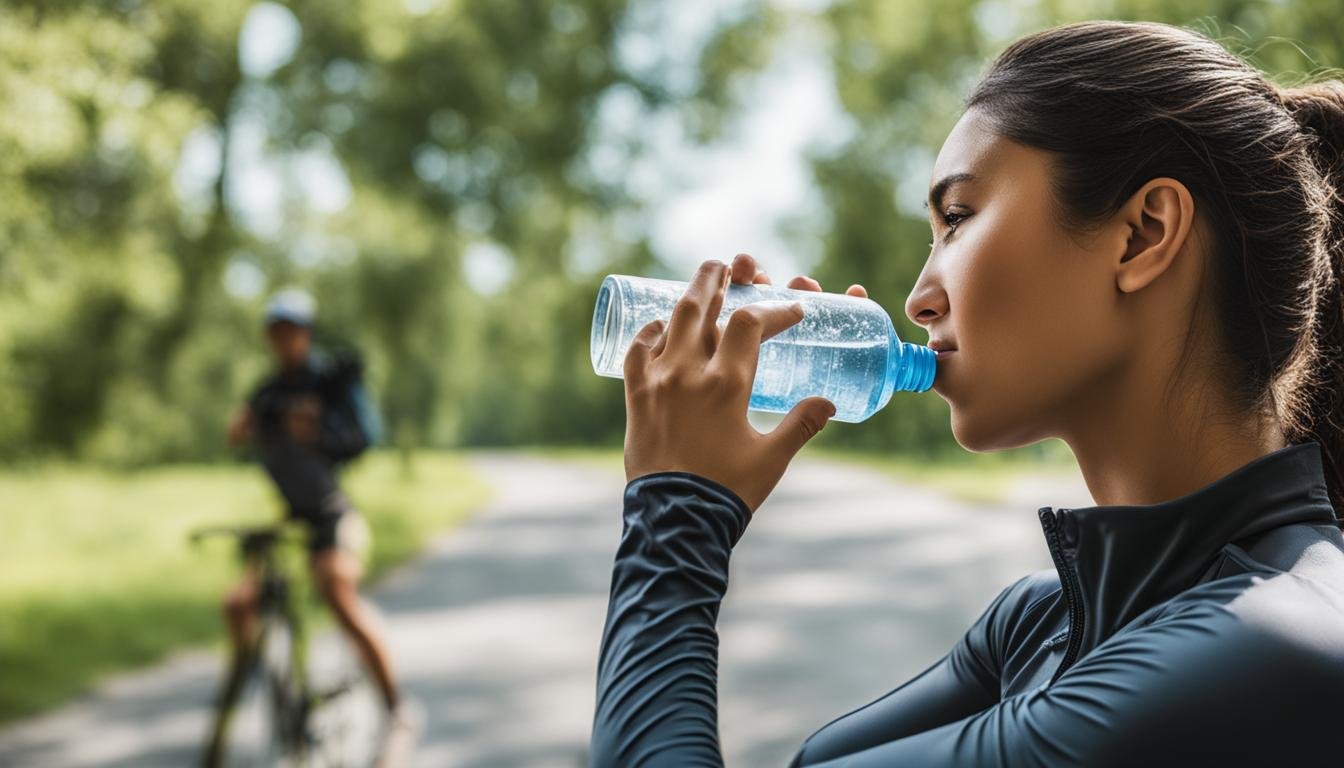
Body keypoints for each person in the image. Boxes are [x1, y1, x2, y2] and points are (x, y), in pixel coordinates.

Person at [590, 20, 1344, 767]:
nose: (918, 298)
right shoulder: (1035, 624)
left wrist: (674, 517)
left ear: (1145, 233)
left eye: (957, 219)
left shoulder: (1269, 646)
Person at [220, 288, 419, 764]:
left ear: (306, 334)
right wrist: (249, 424)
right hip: (286, 516)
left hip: (332, 513)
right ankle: (259, 684)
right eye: (277, 332)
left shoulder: (329, 385)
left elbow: (362, 440)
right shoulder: (267, 391)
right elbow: (236, 433)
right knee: (239, 603)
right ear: (271, 337)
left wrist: (318, 432)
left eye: (294, 331)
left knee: (335, 588)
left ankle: (397, 708)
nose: (286, 340)